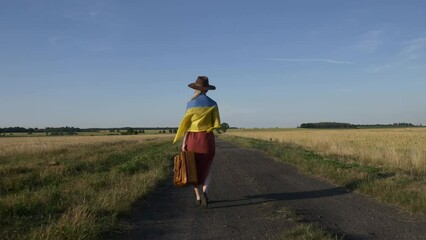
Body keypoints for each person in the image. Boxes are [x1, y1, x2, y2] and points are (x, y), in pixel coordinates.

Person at [173, 76, 221, 208]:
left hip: (192, 139)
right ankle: (205, 192)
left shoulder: (191, 103)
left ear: (196, 88)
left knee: (193, 168)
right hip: (207, 138)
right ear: (207, 89)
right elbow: (216, 123)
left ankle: (199, 197)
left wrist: (184, 142)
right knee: (207, 167)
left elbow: (186, 125)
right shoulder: (213, 103)